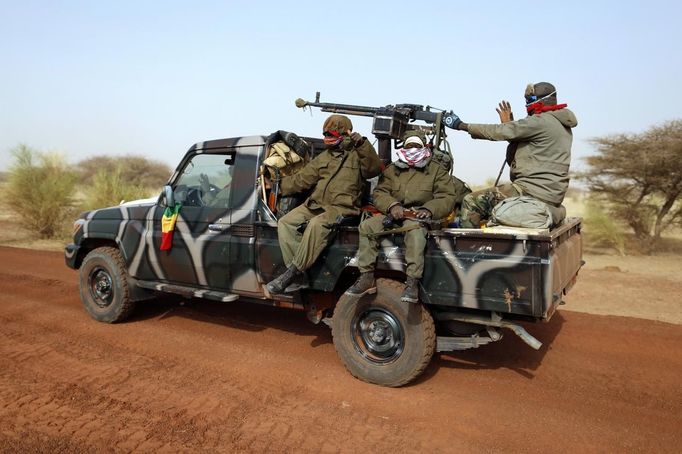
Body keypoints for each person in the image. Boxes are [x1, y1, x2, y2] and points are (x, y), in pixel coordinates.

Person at [265, 114, 382, 294]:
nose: (328, 138)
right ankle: (299, 273)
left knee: (316, 225)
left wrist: (362, 144)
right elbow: (302, 179)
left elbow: (372, 169)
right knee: (285, 223)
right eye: (326, 134)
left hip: (342, 208)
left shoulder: (358, 154)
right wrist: (275, 187)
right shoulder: (324, 156)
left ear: (345, 134)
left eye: (332, 134)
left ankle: (292, 274)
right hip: (316, 204)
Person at [445, 82, 578, 228]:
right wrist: (509, 124)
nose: (527, 105)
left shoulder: (541, 121)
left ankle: (466, 247)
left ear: (540, 100)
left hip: (530, 191)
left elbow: (499, 131)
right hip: (549, 192)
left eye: (530, 100)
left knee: (471, 201)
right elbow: (517, 143)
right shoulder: (560, 124)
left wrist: (461, 125)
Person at [346, 131, 457, 303]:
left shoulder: (436, 170)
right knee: (367, 227)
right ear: (403, 147)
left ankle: (412, 282)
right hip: (394, 214)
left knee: (415, 233)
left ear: (424, 147)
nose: (412, 149)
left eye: (416, 146)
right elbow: (380, 192)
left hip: (418, 217)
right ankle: (366, 277)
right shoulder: (393, 169)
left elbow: (447, 197)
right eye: (409, 146)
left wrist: (428, 210)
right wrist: (392, 205)